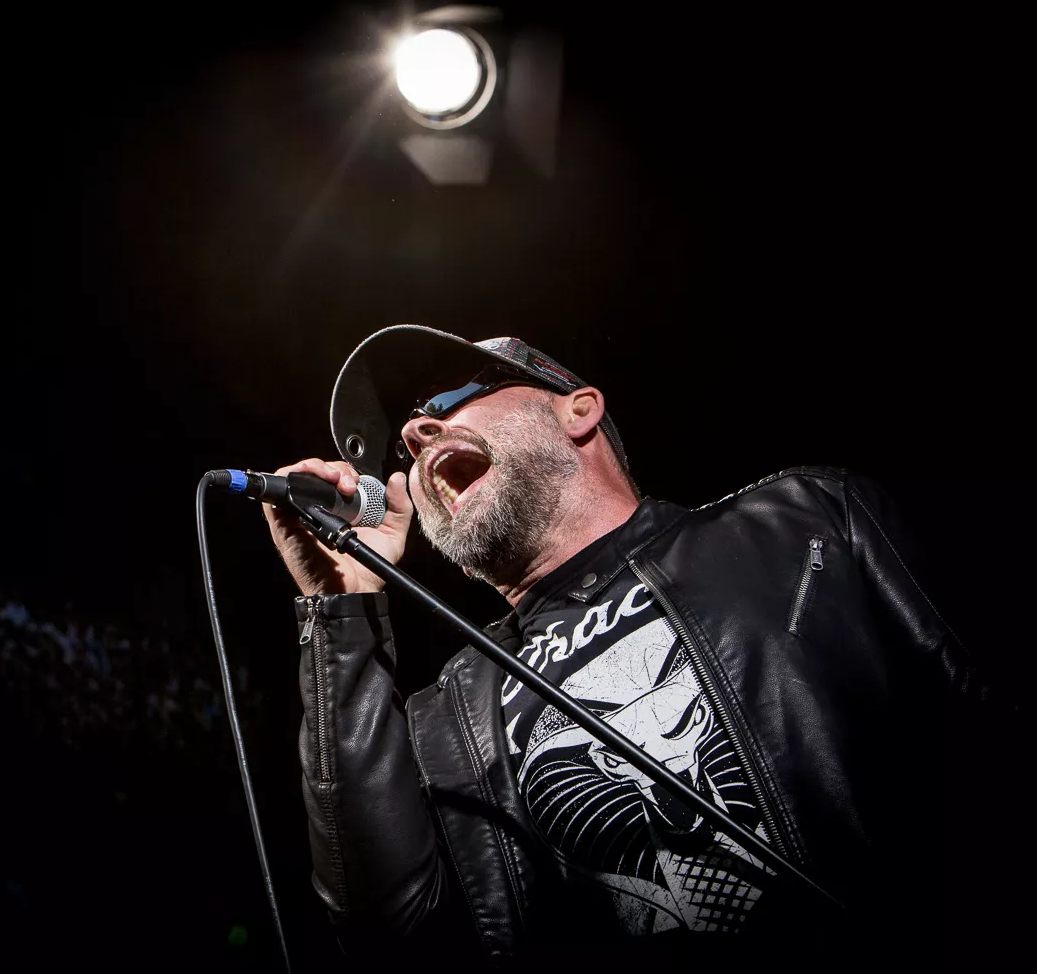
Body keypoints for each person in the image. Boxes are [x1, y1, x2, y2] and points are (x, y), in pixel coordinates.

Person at [262, 325, 1011, 967]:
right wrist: (340, 610)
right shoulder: (452, 712)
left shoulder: (803, 523)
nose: (417, 435)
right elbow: (392, 939)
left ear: (578, 409)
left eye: (451, 398)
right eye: (404, 437)